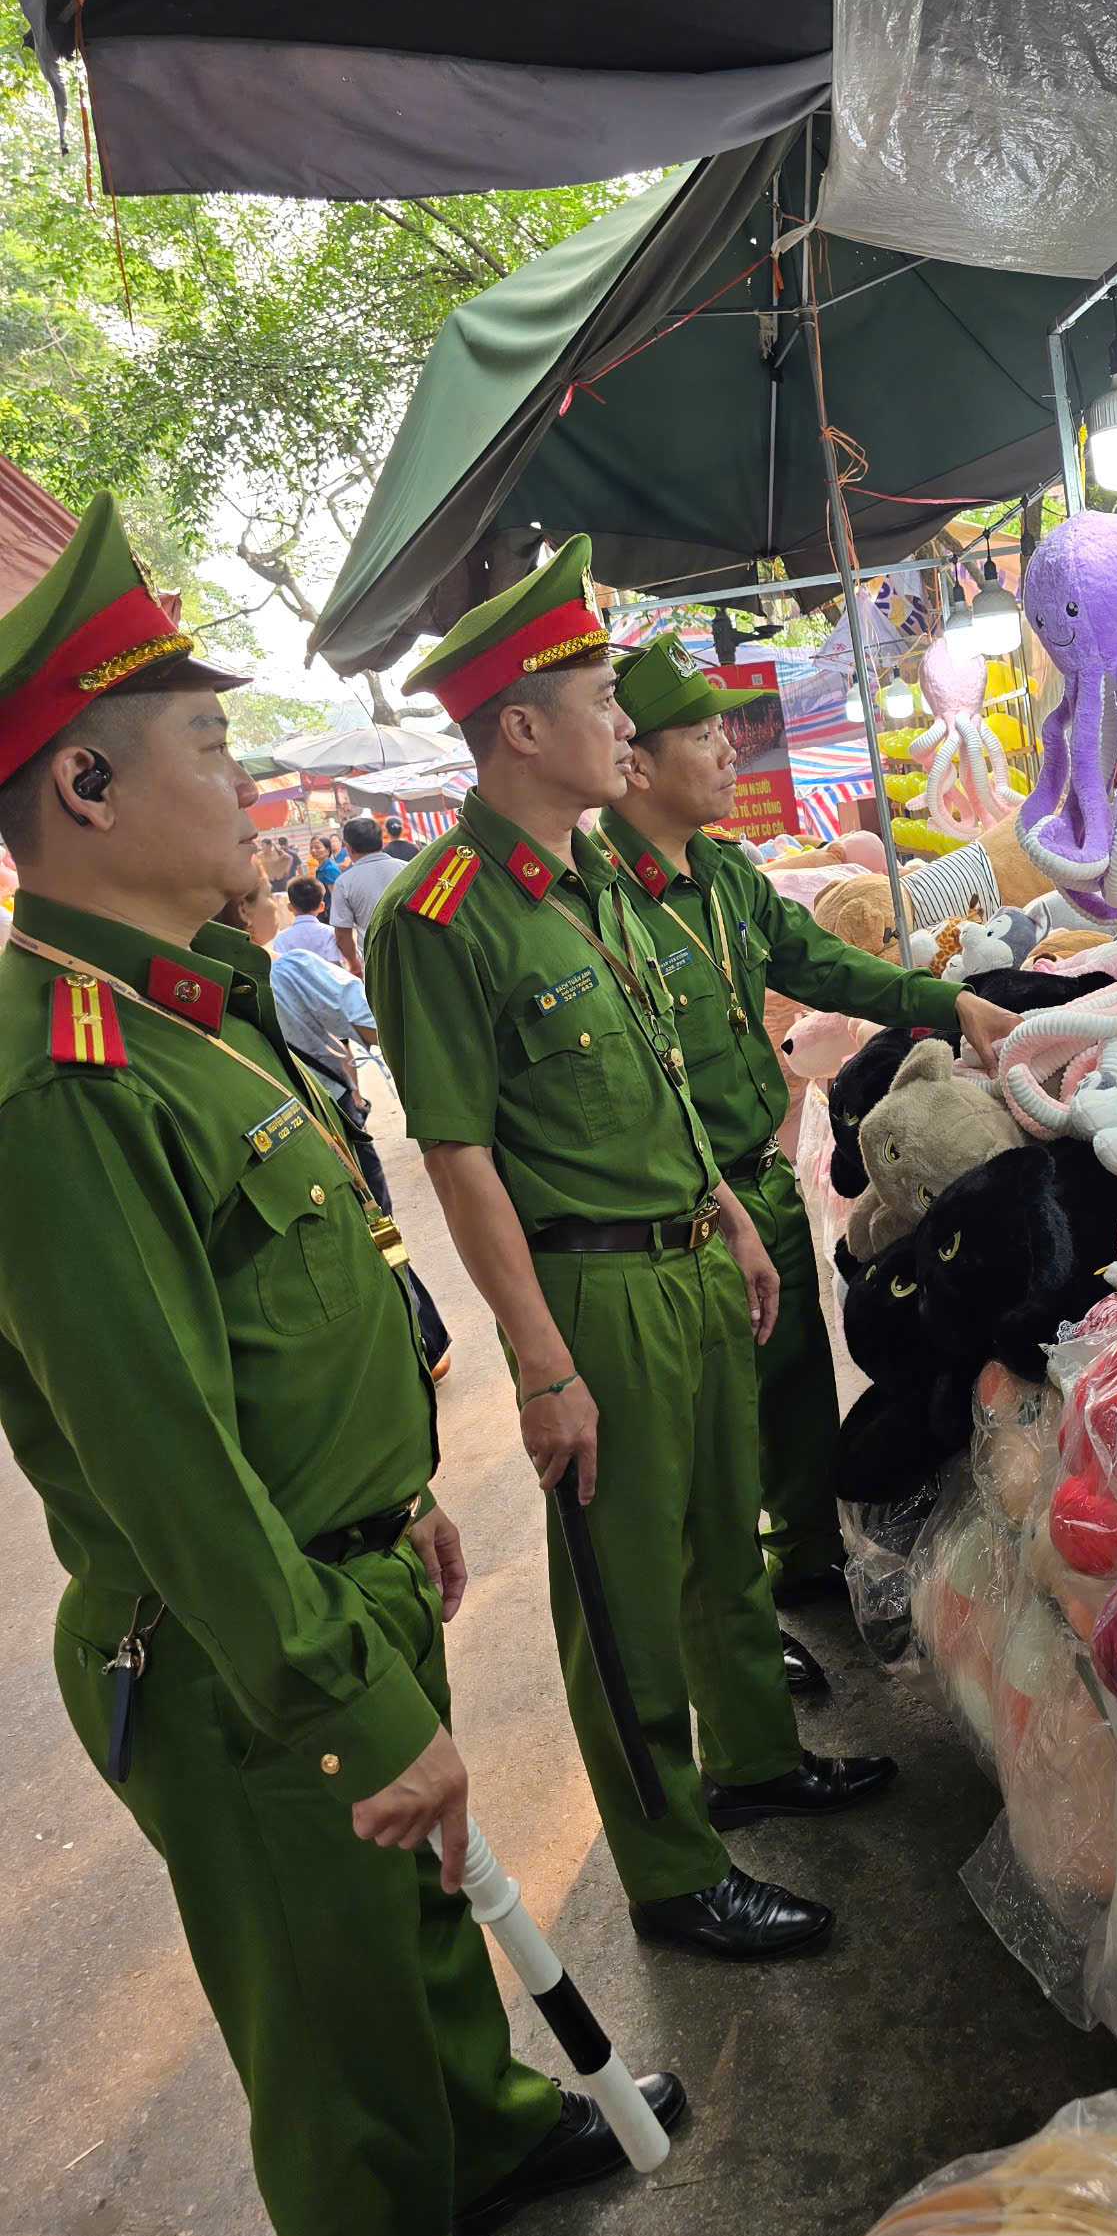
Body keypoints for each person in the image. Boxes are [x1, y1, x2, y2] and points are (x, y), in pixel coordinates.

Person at [0, 493, 670, 2236]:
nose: (250, 785)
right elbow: (165, 1463)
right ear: (86, 788)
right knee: (335, 2035)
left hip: (336, 1576)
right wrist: (338, 1698)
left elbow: (289, 1325)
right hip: (239, 1652)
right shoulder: (65, 1075)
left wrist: (392, 1507)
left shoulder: (186, 1009)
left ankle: (489, 2140)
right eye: (212, 745)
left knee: (419, 1934)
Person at [364, 537, 895, 1965]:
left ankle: (758, 1761)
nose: (628, 723)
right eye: (601, 700)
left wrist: (725, 1213)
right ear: (521, 730)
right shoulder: (439, 917)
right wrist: (543, 1366)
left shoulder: (590, 881)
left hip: (690, 1254)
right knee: (625, 1597)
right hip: (591, 1287)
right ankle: (672, 1871)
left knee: (725, 1543)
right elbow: (460, 1158)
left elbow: (658, 1074)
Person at [599, 635, 1019, 1603]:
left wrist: (949, 1001)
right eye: (702, 736)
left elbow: (823, 964)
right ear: (637, 764)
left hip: (761, 1177)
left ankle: (808, 1565)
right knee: (717, 1427)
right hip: (684, 1206)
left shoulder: (725, 875)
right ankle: (737, 1618)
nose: (728, 752)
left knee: (794, 1386)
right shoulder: (600, 902)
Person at [227, 860, 455, 1381]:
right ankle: (422, 1342)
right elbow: (371, 1021)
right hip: (328, 1126)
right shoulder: (288, 970)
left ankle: (412, 1345)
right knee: (375, 1233)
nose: (276, 904)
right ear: (243, 911)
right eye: (265, 894)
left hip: (262, 1148)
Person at [329, 814, 412, 976]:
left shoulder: (345, 882)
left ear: (349, 847)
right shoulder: (407, 869)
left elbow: (343, 935)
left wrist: (354, 964)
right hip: (413, 954)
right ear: (381, 841)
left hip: (377, 963)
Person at [273, 871, 340, 959]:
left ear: (290, 907)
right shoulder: (331, 933)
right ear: (321, 907)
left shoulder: (281, 938)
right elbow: (336, 963)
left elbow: (279, 965)